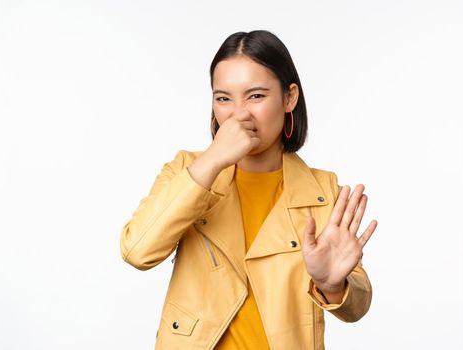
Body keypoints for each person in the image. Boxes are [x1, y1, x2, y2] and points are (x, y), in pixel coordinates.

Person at [120, 30, 378, 349]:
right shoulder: (186, 170)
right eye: (223, 98)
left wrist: (333, 283)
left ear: (289, 98)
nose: (239, 114)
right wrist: (213, 159)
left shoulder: (323, 190)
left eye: (255, 96)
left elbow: (358, 306)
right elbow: (137, 251)